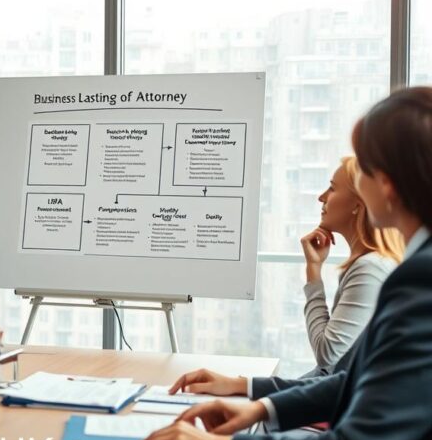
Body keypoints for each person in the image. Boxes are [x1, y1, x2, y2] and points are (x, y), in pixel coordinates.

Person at [132, 86, 432, 440]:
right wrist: (259, 406)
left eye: (362, 169)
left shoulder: (420, 280)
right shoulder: (415, 270)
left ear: (385, 185)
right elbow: (353, 378)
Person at [167, 156, 403, 400]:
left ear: (358, 204)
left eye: (332, 188)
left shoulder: (369, 270)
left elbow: (327, 357)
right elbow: (330, 375)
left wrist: (313, 276)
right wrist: (240, 385)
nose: (321, 197)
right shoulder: (370, 265)